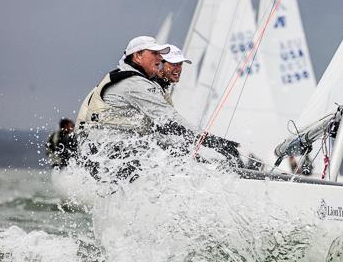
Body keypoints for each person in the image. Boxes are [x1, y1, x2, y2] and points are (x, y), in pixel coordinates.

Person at [76, 36, 241, 179]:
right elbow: (170, 122)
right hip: (105, 152)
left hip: (100, 151)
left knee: (175, 151)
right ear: (138, 56)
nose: (159, 58)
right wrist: (215, 143)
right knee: (175, 154)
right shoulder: (135, 84)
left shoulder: (129, 78)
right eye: (154, 53)